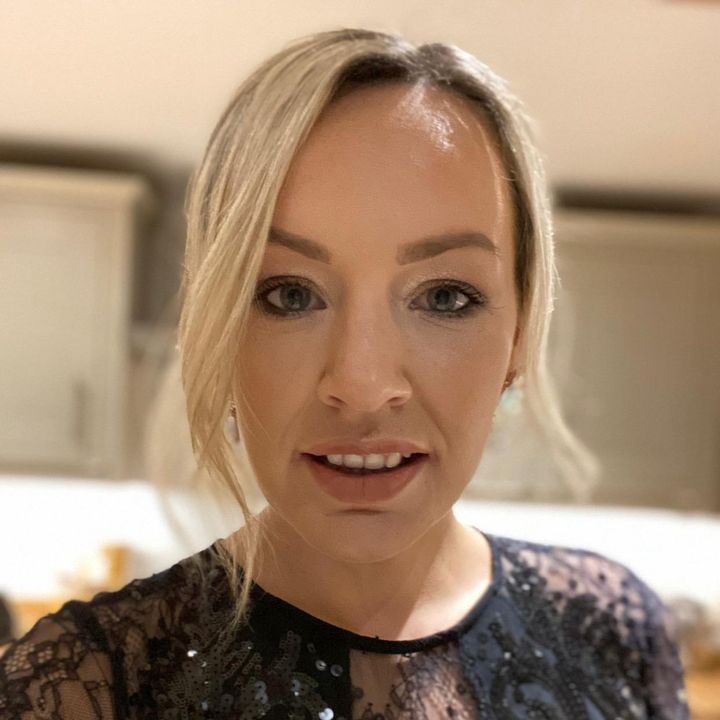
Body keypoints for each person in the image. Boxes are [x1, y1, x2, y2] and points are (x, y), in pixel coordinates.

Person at [0, 27, 689, 720]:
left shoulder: (614, 632)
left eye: (445, 297)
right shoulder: (84, 688)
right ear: (218, 327)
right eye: (289, 295)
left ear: (517, 334)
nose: (362, 385)